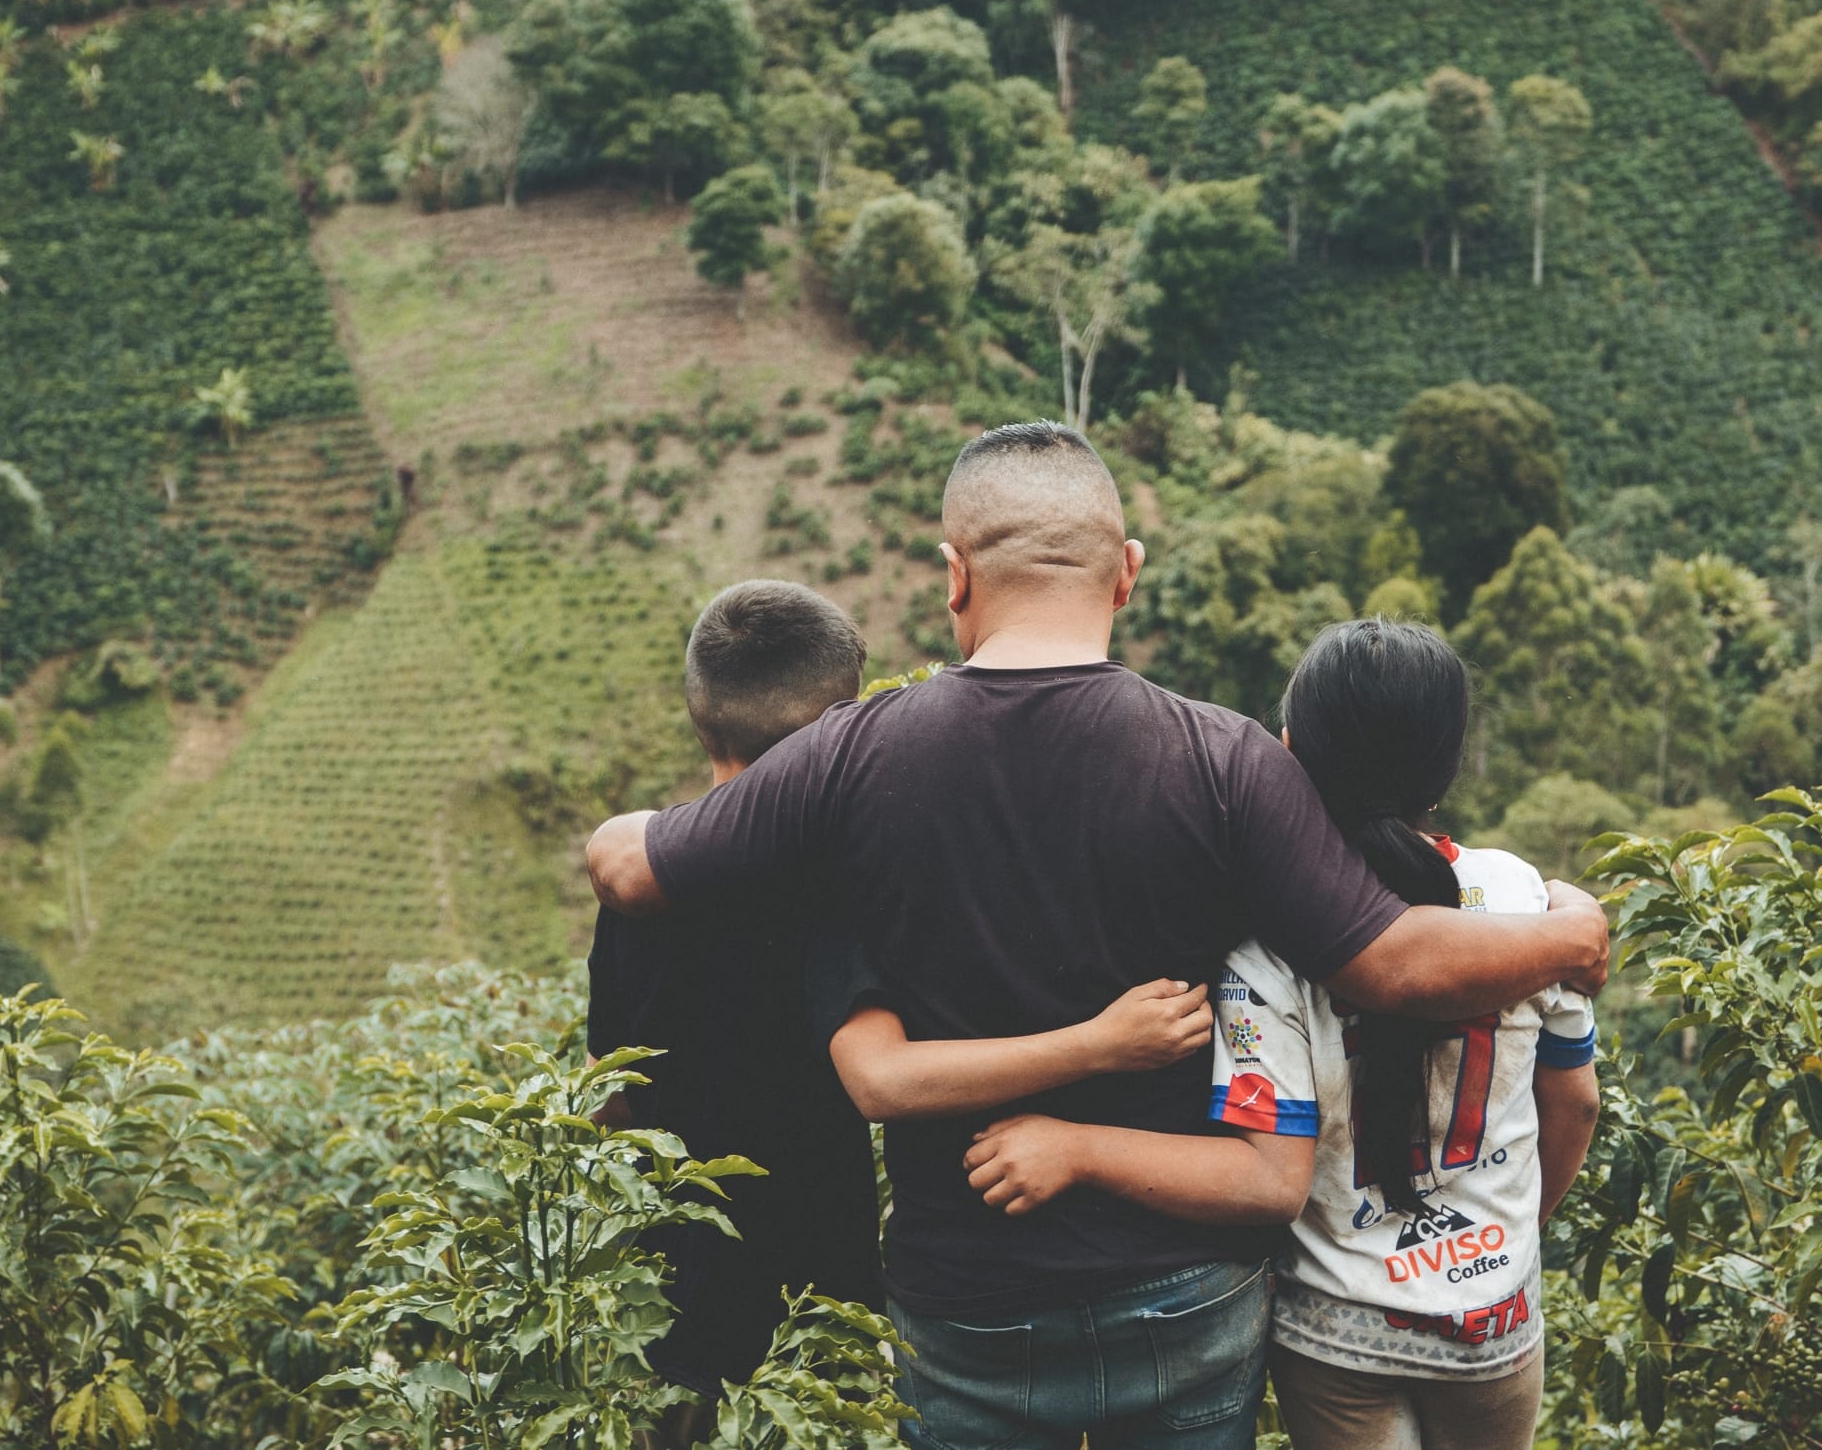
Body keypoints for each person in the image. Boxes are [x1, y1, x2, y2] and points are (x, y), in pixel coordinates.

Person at [589, 422, 1610, 1449]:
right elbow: (1393, 961)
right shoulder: (1229, 759)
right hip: (1187, 1292)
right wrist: (1571, 943)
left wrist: (629, 829)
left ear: (954, 576)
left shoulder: (853, 754)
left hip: (968, 1294)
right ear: (1126, 573)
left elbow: (630, 869)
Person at [961, 618, 1600, 1450]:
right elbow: (1576, 1102)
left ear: (1288, 752)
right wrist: (1514, 1240)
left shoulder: (1268, 948)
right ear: (1444, 768)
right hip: (1496, 1319)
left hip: (1339, 1334)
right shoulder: (1524, 902)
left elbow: (1270, 1182)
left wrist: (1077, 1148)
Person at [584, 580, 887, 1447]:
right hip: (825, 1309)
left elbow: (616, 1097)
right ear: (841, 727)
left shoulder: (639, 888)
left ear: (699, 715)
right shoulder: (847, 881)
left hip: (675, 1307)